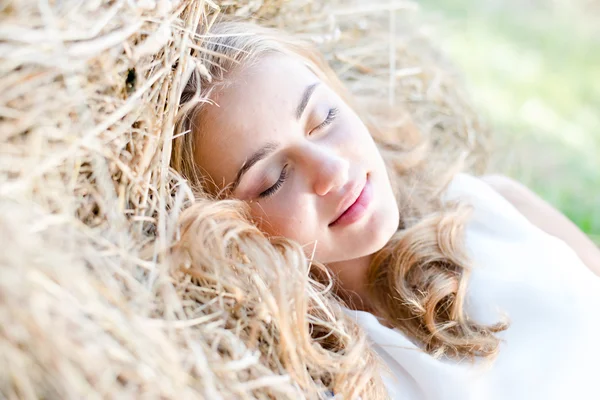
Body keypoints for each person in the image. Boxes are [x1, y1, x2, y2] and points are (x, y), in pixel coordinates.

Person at [170, 20, 600, 399]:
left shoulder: (498, 207)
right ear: (225, 224)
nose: (333, 171)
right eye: (273, 180)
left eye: (324, 119)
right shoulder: (296, 375)